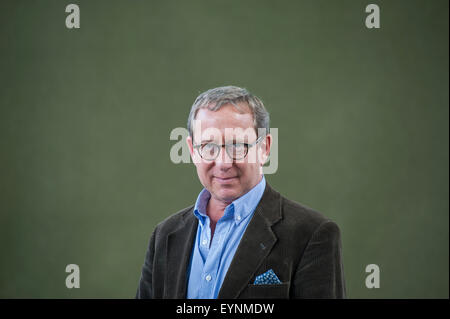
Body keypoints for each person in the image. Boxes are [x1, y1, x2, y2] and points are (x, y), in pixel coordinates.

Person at [136, 86, 346, 299]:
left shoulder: (312, 234)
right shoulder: (165, 235)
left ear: (265, 147)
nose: (223, 162)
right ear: (192, 151)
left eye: (237, 145)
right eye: (209, 146)